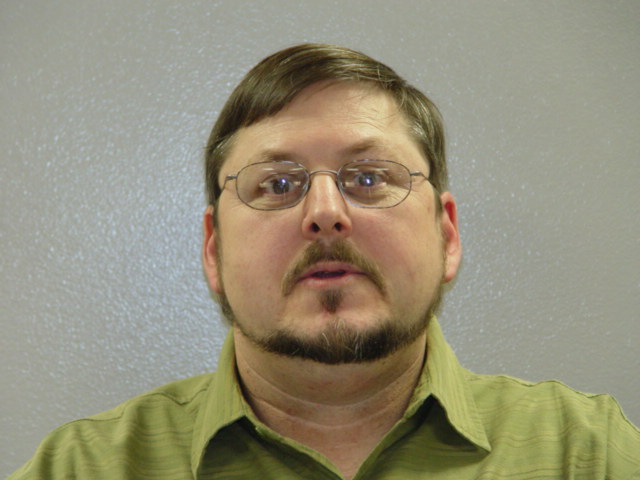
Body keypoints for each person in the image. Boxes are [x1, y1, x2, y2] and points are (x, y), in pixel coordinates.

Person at [10, 43, 639, 480]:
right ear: (214, 250)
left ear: (447, 236)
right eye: (277, 185)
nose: (326, 212)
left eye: (368, 177)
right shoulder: (83, 468)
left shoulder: (587, 455)